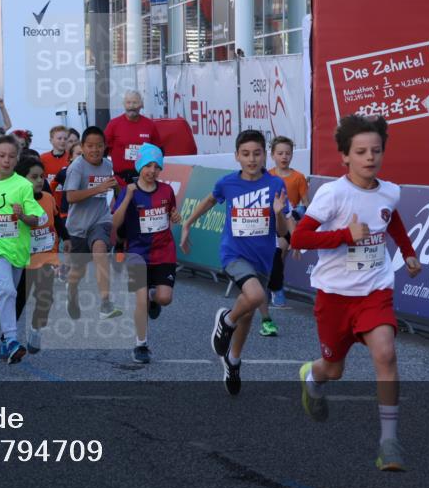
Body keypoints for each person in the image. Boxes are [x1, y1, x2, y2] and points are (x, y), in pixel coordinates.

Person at [290, 114, 420, 472]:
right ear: (345, 156)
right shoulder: (333, 193)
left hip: (375, 289)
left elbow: (390, 217)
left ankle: (389, 442)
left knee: (386, 353)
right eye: (361, 151)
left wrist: (407, 252)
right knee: (333, 370)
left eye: (375, 150)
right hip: (334, 295)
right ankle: (311, 378)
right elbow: (300, 238)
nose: (369, 158)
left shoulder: (390, 190)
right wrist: (345, 236)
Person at [179, 130, 289, 396]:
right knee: (255, 295)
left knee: (249, 311)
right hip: (233, 254)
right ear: (237, 156)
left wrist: (278, 214)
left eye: (257, 153)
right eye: (246, 154)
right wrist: (187, 223)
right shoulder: (227, 183)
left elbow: (282, 231)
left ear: (265, 155)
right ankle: (226, 320)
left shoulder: (275, 186)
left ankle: (233, 360)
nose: (251, 159)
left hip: (261, 257)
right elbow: (208, 200)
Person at [0, 135, 46, 364]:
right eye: (1, 156)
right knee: (10, 290)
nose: (6, 160)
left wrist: (22, 215)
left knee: (7, 292)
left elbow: (37, 219)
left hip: (17, 247)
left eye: (12, 156)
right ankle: (11, 340)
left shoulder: (23, 186)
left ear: (17, 160)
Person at [110, 144, 180, 364]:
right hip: (137, 253)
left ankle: (154, 297)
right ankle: (141, 344)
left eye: (156, 166)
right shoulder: (128, 191)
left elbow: (170, 212)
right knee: (139, 300)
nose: (152, 171)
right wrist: (128, 197)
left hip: (163, 251)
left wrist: (175, 217)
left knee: (164, 298)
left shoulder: (166, 191)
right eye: (147, 165)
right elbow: (115, 223)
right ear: (139, 166)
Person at [63, 126, 122, 321]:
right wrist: (98, 188)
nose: (94, 150)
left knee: (100, 250)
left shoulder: (107, 165)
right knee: (76, 273)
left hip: (101, 220)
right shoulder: (76, 167)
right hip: (78, 227)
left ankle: (105, 303)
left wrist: (117, 188)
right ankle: (71, 293)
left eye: (99, 146)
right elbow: (70, 197)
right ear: (82, 146)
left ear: (105, 147)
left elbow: (111, 190)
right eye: (90, 146)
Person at [14, 156, 65, 354]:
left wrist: (66, 238)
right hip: (23, 260)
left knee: (46, 297)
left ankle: (36, 329)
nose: (39, 181)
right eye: (33, 177)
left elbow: (57, 221)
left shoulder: (49, 198)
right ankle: (7, 336)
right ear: (21, 179)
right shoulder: (16, 201)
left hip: (46, 257)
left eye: (41, 177)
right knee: (19, 298)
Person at [265, 136, 309, 327]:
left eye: (288, 153)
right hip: (269, 223)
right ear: (273, 155)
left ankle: (277, 285)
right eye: (280, 153)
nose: (284, 157)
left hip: (289, 220)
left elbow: (306, 203)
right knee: (276, 252)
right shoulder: (267, 175)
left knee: (282, 249)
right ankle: (273, 285)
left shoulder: (298, 177)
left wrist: (300, 211)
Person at [104, 91, 162, 185]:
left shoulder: (150, 125)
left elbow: (158, 151)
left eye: (135, 102)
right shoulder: (113, 124)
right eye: (128, 102)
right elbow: (103, 148)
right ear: (124, 104)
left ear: (141, 104)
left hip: (144, 177)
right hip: (120, 178)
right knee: (123, 200)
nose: (131, 106)